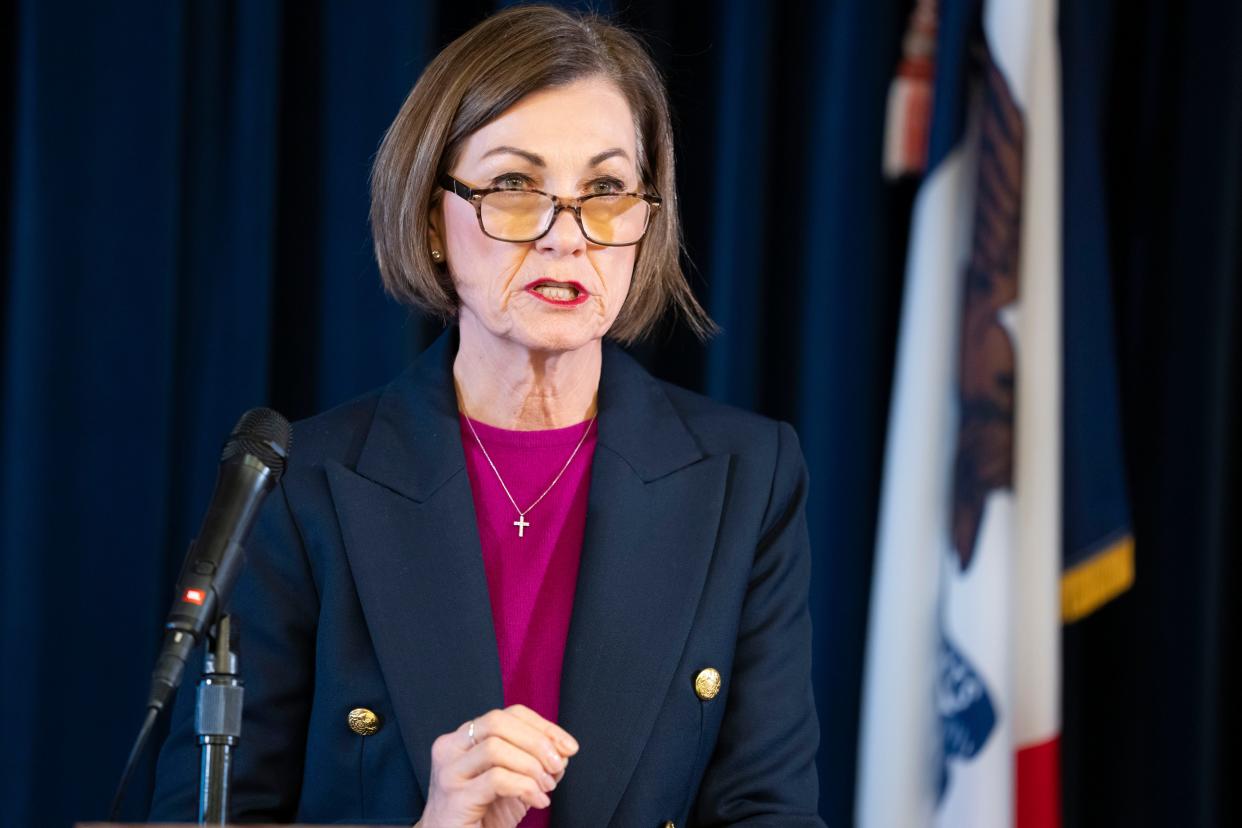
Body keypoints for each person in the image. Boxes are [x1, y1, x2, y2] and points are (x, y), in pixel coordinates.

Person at [149, 5, 823, 826]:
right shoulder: (302, 485)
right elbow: (207, 813)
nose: (565, 236)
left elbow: (769, 810)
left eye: (605, 191)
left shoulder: (747, 478)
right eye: (513, 186)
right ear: (433, 219)